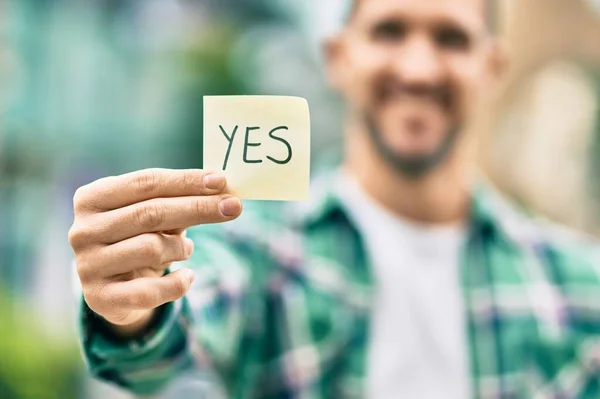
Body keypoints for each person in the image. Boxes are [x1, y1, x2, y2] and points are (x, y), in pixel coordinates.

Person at [69, 0, 600, 397]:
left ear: (491, 66)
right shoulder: (259, 250)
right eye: (390, 32)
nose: (417, 69)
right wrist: (134, 306)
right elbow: (180, 328)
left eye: (451, 39)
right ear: (337, 57)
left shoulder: (579, 289)